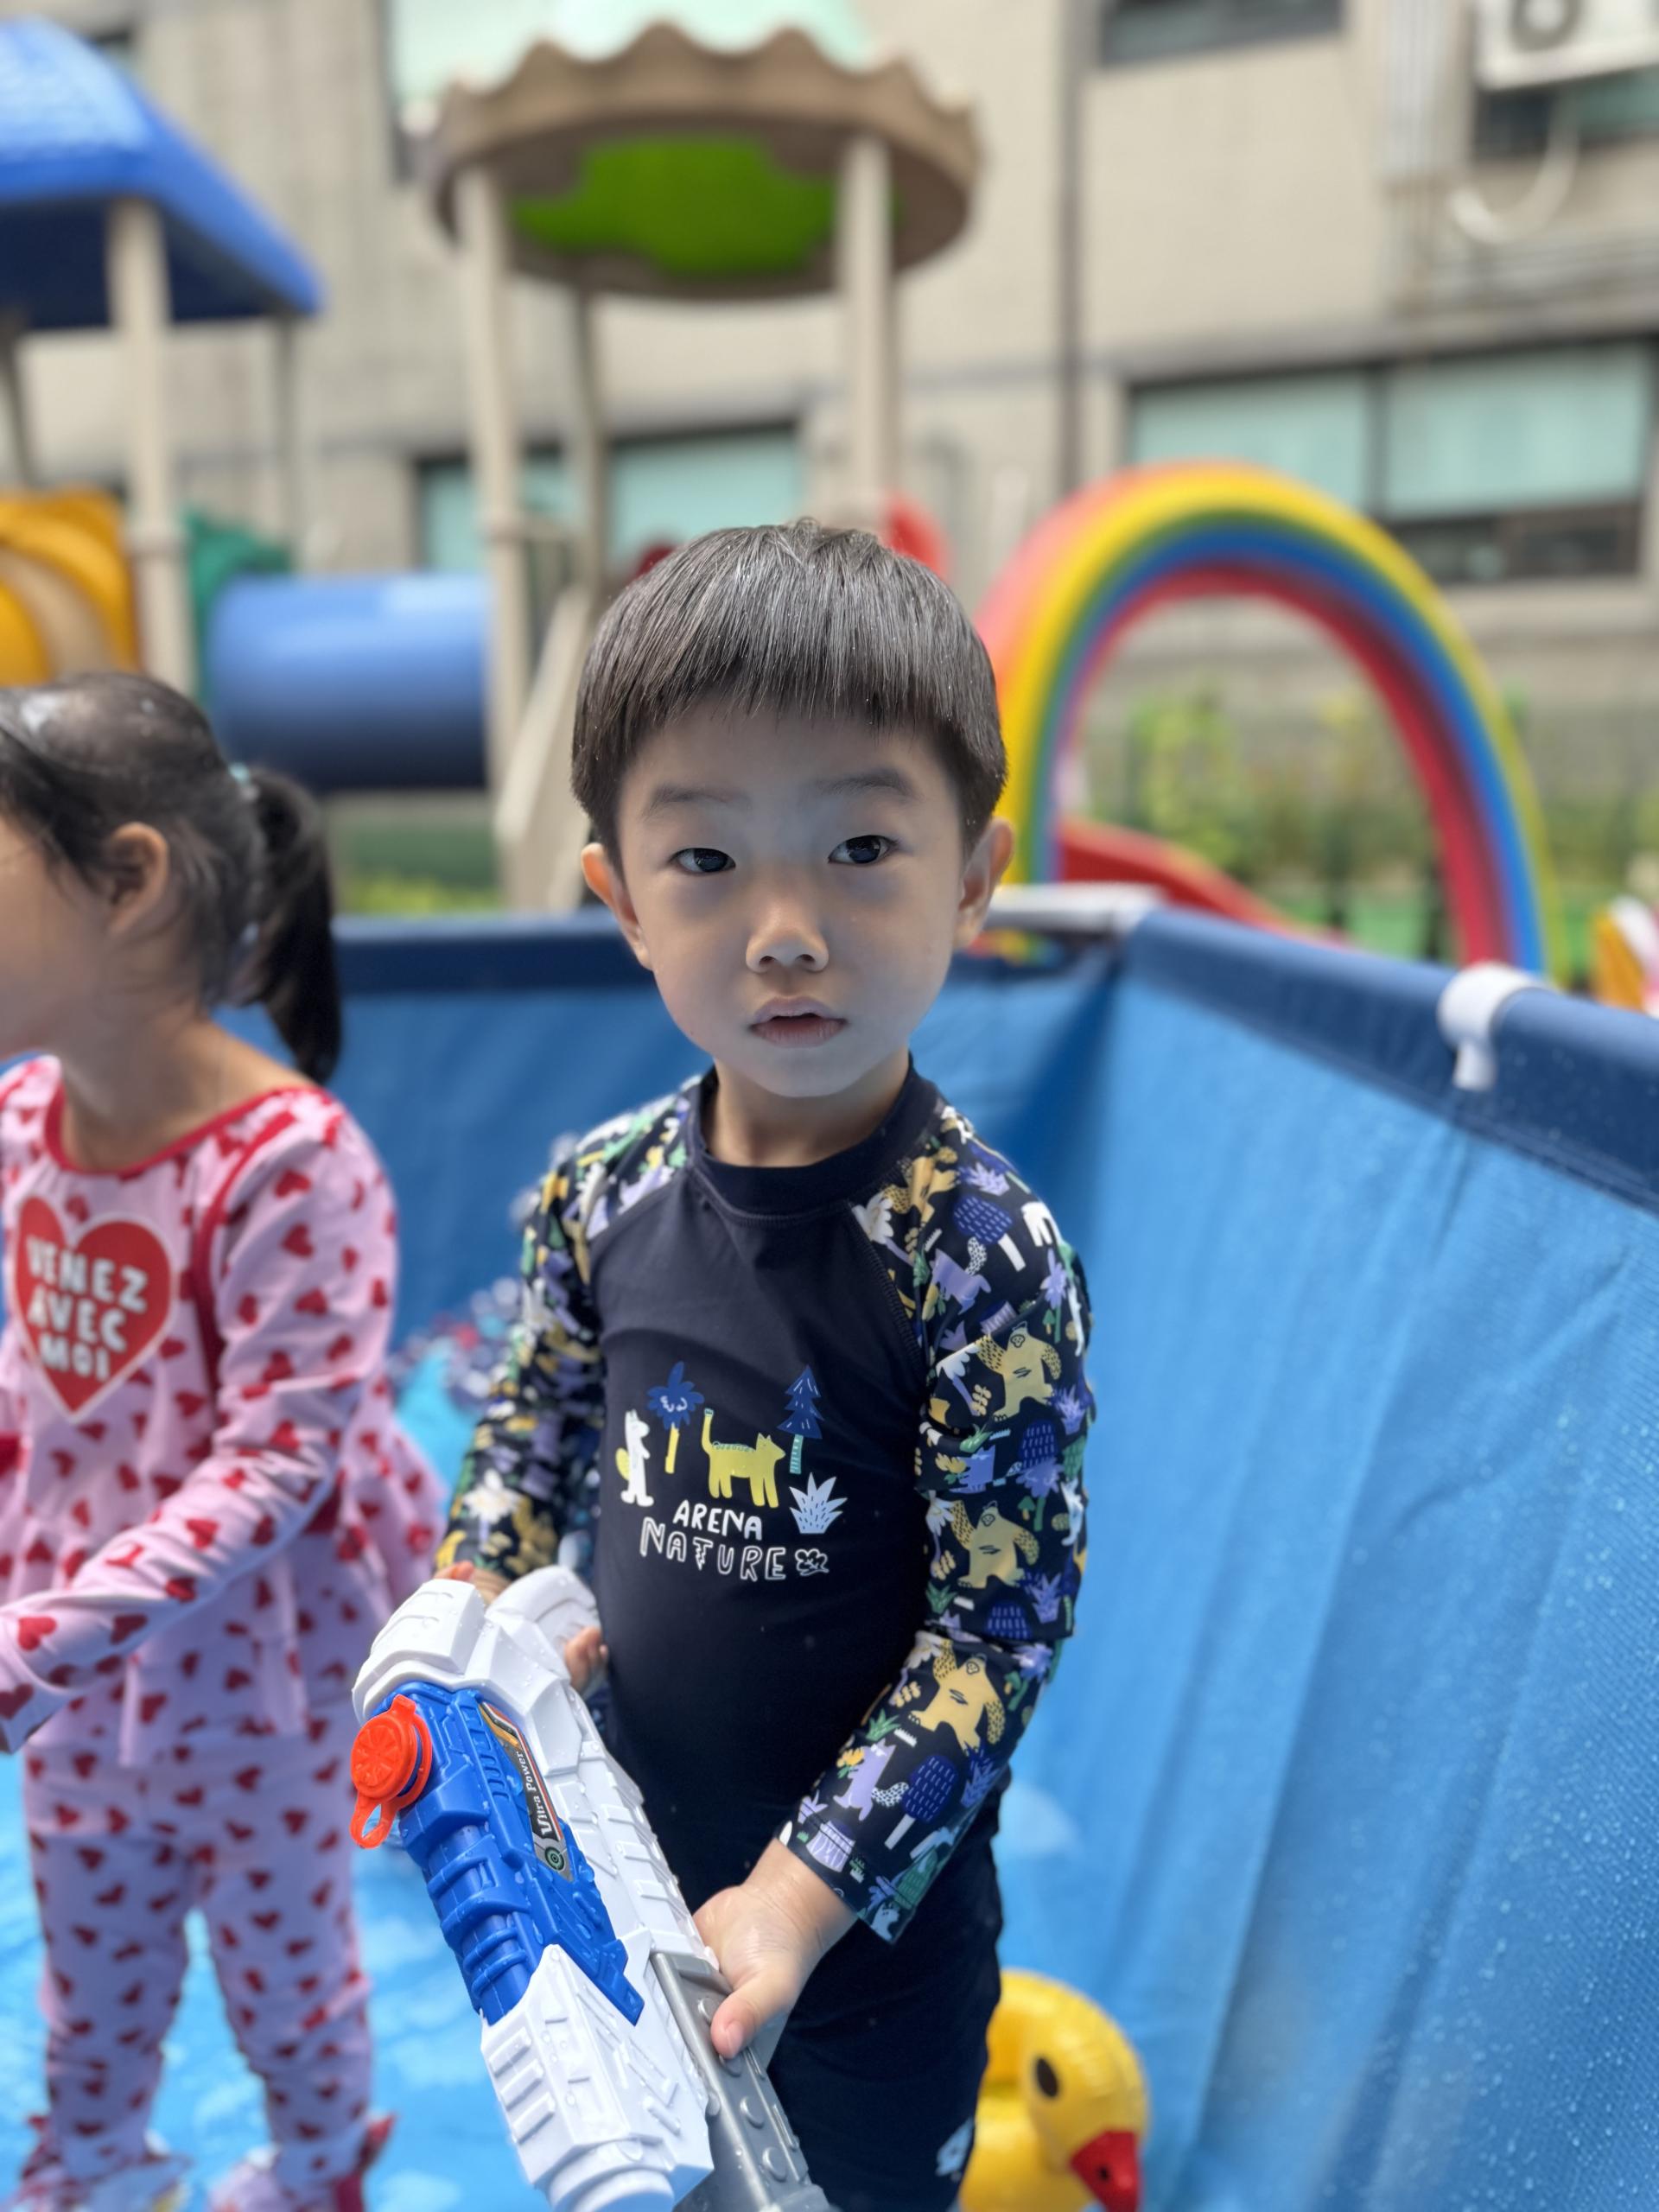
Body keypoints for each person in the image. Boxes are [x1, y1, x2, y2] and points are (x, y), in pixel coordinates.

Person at [437, 522, 1094, 2212]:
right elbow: (524, 1441)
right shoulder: (600, 1197)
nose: (785, 929)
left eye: (861, 846)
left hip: (865, 1967)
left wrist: (802, 1895)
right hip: (627, 1900)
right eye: (708, 859)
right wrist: (470, 1613)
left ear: (974, 875)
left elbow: (998, 1629)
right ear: (621, 899)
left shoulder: (979, 1255)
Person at [0, 676, 445, 2212]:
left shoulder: (290, 1164)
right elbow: (22, 1400)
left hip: (253, 1688)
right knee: (89, 1981)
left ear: (129, 880)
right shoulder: (19, 1126)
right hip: (71, 1687)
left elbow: (276, 1464)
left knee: (289, 1986)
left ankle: (318, 2170)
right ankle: (92, 2166)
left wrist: (39, 1638)